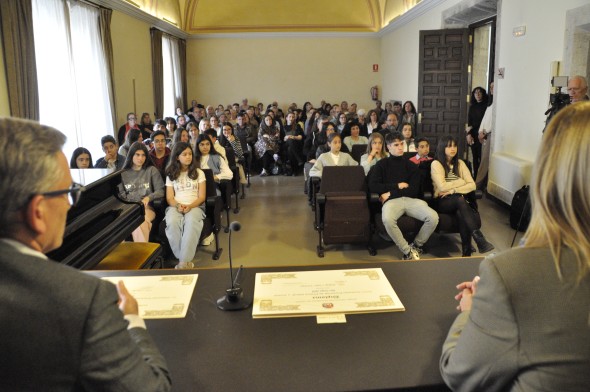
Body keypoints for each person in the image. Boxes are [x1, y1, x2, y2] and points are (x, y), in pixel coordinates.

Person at [0, 117, 171, 390]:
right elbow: (153, 388)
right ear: (38, 212)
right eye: (69, 193)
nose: (73, 205)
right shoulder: (85, 301)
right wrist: (133, 320)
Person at [440, 101, 590, 392]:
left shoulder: (511, 274)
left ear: (549, 173)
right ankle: (477, 238)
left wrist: (470, 312)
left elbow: (458, 373)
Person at [368, 132, 439, 260]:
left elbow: (413, 190)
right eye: (396, 145)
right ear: (388, 147)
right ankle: (407, 251)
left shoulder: (411, 166)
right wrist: (397, 185)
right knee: (388, 220)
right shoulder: (381, 165)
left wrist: (390, 192)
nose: (400, 147)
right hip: (392, 202)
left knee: (433, 217)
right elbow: (373, 186)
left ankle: (416, 245)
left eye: (401, 144)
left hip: (410, 200)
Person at [431, 136, 494, 257]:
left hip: (459, 200)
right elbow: (442, 187)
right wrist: (461, 181)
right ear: (442, 148)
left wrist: (453, 189)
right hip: (443, 201)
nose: (453, 149)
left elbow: (472, 186)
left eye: (454, 146)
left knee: (461, 211)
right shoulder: (436, 164)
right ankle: (479, 239)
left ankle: (467, 252)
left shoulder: (460, 163)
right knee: (460, 200)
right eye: (449, 146)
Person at [164, 141, 206, 269]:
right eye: (184, 154)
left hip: (195, 206)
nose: (188, 157)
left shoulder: (199, 172)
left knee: (192, 222)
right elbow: (169, 197)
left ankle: (182, 262)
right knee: (171, 222)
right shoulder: (171, 174)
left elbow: (202, 197)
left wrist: (190, 206)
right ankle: (183, 259)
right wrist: (177, 206)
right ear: (177, 157)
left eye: (190, 154)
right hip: (176, 206)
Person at [118, 142, 165, 243]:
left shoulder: (151, 170)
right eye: (137, 154)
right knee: (118, 227)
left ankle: (142, 255)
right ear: (131, 155)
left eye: (143, 155)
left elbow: (161, 191)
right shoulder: (122, 173)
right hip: (128, 210)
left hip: (146, 208)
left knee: (139, 222)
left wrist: (149, 197)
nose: (141, 158)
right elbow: (120, 195)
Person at [466, 86, 488, 179]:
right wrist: (469, 134)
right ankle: (475, 179)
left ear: (483, 94)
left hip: (482, 135)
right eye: (475, 93)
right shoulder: (472, 107)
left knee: (481, 158)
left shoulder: (486, 106)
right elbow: (470, 122)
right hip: (473, 135)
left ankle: (481, 179)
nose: (477, 94)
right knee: (474, 157)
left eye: (479, 92)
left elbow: (482, 121)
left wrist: (472, 127)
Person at [475, 82, 494, 190]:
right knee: (483, 160)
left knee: (485, 161)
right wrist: (480, 132)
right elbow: (484, 120)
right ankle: (480, 185)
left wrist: (485, 133)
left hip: (489, 135)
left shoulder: (498, 104)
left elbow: (494, 122)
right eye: (490, 87)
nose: (491, 89)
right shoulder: (490, 104)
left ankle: (477, 186)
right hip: (484, 135)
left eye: (493, 87)